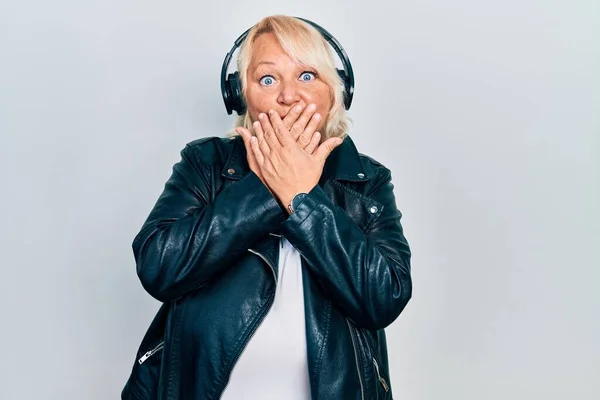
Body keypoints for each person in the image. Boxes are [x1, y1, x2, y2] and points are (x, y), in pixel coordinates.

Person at [122, 15, 412, 400]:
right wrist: (263, 190)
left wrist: (302, 197)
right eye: (268, 79)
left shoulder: (366, 180)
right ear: (241, 96)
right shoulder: (205, 163)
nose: (288, 96)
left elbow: (383, 298)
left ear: (336, 92)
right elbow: (159, 267)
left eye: (307, 76)